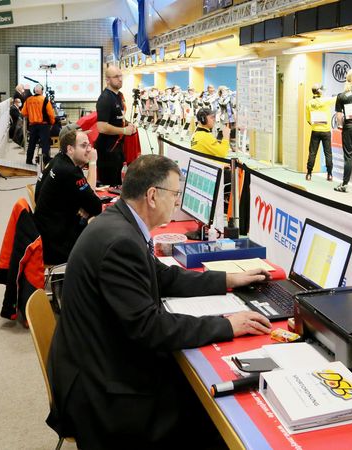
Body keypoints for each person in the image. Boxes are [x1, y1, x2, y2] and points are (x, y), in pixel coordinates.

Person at [47, 154, 272, 449]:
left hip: (97, 361)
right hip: (103, 394)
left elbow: (163, 277)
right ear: (152, 195)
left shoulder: (118, 223)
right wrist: (227, 325)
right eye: (175, 194)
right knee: (208, 413)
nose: (177, 202)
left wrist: (227, 280)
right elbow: (149, 327)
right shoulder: (121, 242)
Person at [34, 126, 102, 265]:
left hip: (46, 234)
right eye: (84, 146)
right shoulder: (69, 172)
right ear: (70, 149)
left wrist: (80, 203)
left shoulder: (57, 160)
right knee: (102, 232)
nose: (89, 149)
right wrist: (93, 162)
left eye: (89, 145)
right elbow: (96, 207)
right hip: (57, 246)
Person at [95, 65, 136, 186]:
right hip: (107, 151)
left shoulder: (118, 96)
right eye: (116, 77)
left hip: (117, 149)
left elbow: (117, 117)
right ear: (107, 80)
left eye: (121, 76)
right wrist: (124, 130)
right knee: (110, 187)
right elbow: (101, 127)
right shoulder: (105, 99)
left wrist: (127, 124)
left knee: (117, 185)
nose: (120, 79)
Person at [305, 83, 336, 181]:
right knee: (328, 153)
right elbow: (337, 98)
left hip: (315, 131)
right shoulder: (326, 101)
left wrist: (315, 125)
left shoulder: (309, 103)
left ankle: (309, 174)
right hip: (326, 131)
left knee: (312, 153)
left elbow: (308, 119)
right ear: (319, 91)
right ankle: (330, 174)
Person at [21, 83, 55, 165]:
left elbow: (23, 113)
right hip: (43, 125)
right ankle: (45, 161)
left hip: (32, 126)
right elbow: (50, 114)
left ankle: (29, 160)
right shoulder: (45, 100)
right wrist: (52, 122)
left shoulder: (28, 100)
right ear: (42, 91)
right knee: (45, 144)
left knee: (32, 143)